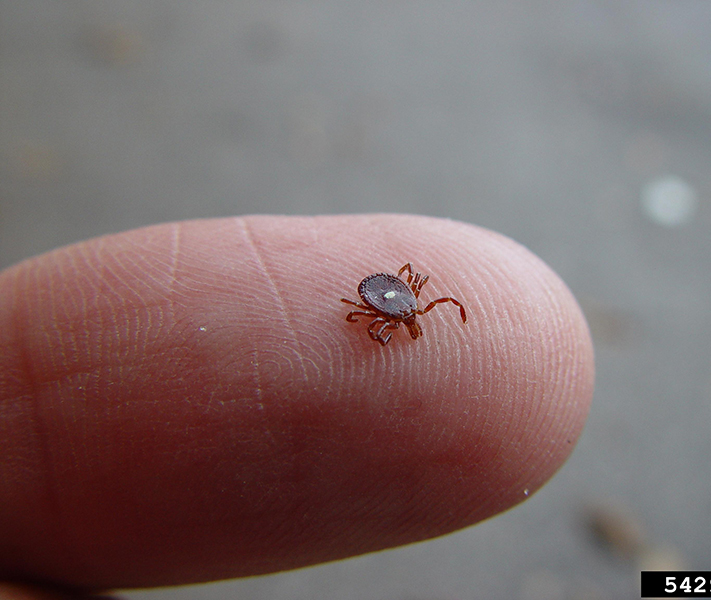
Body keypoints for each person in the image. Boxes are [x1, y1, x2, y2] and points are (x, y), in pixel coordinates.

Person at [0, 215, 594, 599]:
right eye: (410, 313)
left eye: (414, 311)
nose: (412, 318)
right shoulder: (385, 311)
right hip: (376, 291)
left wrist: (399, 308)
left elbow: (379, 304)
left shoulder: (396, 305)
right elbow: (372, 311)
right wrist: (394, 311)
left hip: (378, 289)